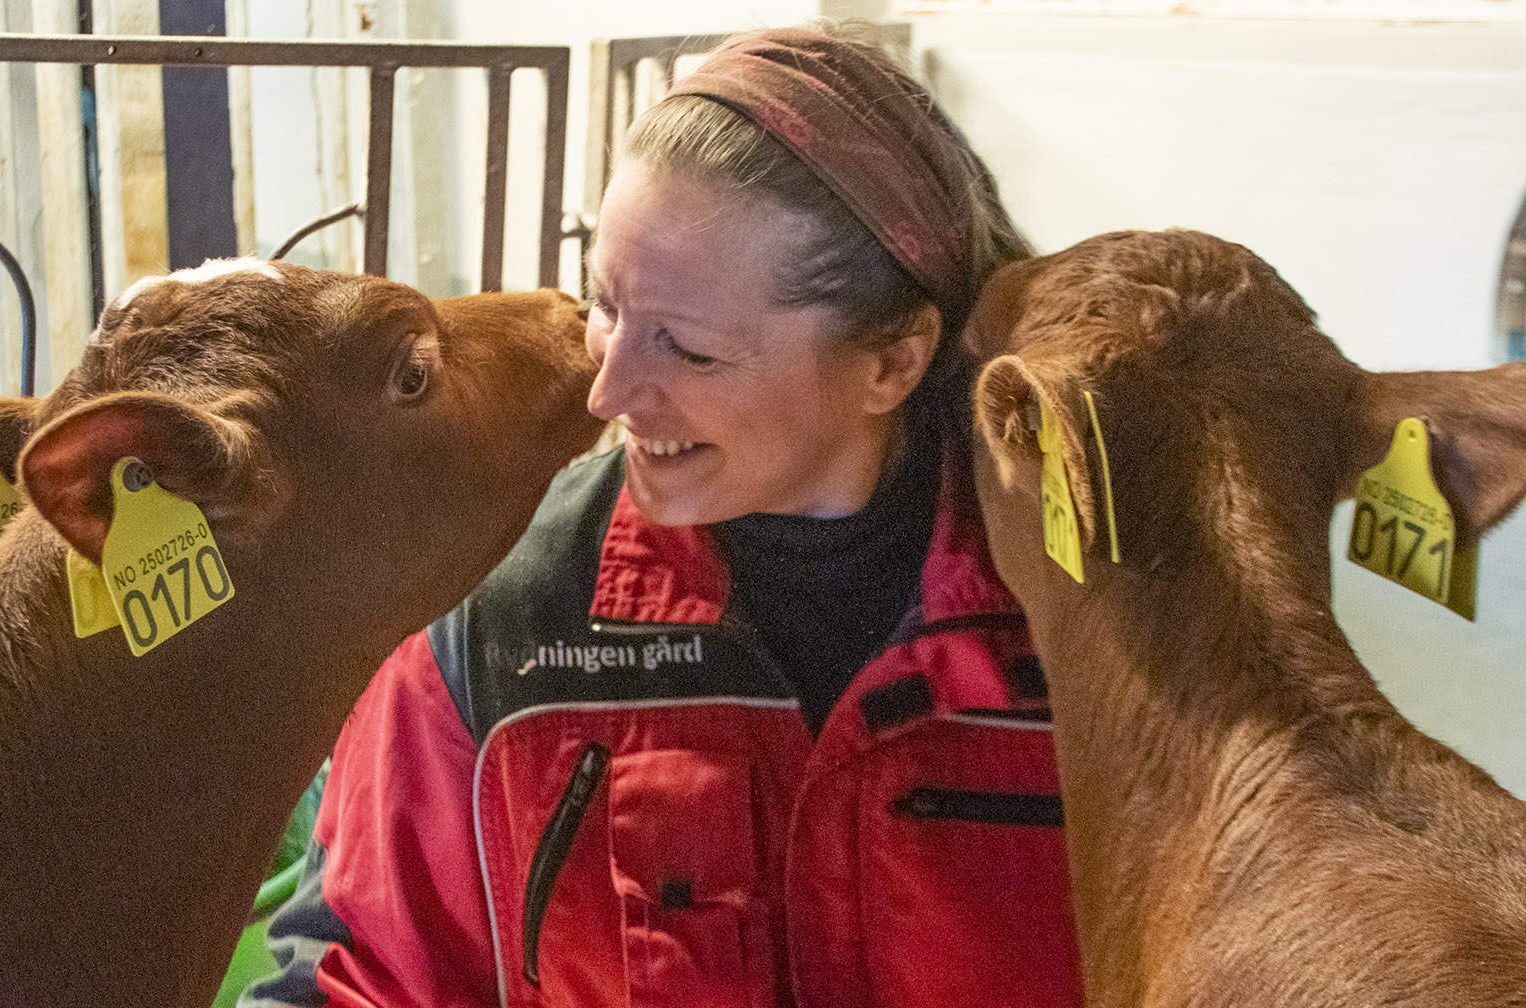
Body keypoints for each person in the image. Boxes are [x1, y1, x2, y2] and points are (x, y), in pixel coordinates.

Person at [245, 23, 1082, 1008]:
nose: (606, 392)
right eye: (605, 305)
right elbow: (355, 979)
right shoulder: (504, 618)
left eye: (688, 350)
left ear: (892, 360)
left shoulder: (1090, 629)